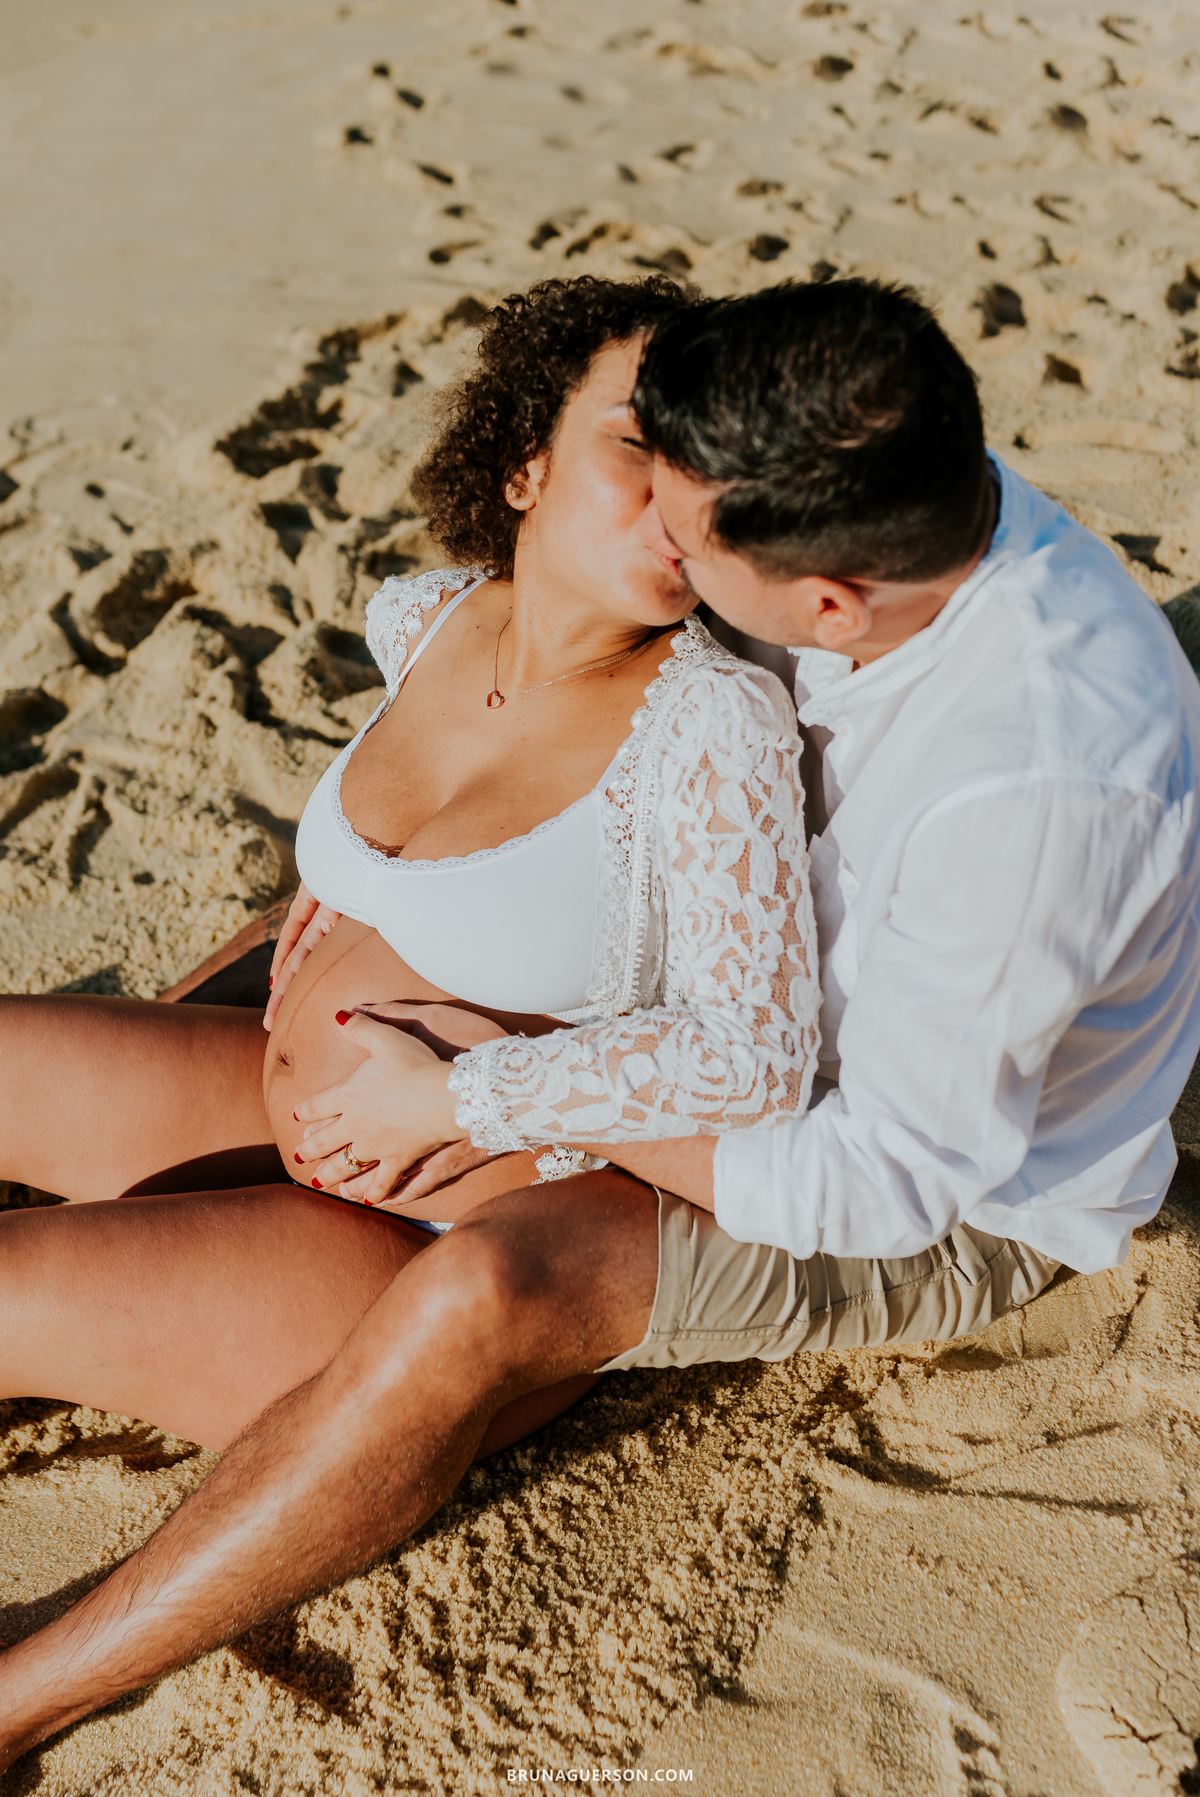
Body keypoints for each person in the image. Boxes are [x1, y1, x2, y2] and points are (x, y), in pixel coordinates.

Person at [1, 273, 1196, 1766]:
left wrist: (487, 1090)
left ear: (822, 612)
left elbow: (866, 1178)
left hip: (935, 1185)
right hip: (714, 1027)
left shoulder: (1030, 787)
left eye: (694, 532)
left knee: (486, 1293)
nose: (662, 537)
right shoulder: (869, 471)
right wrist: (345, 907)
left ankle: (26, 1692)